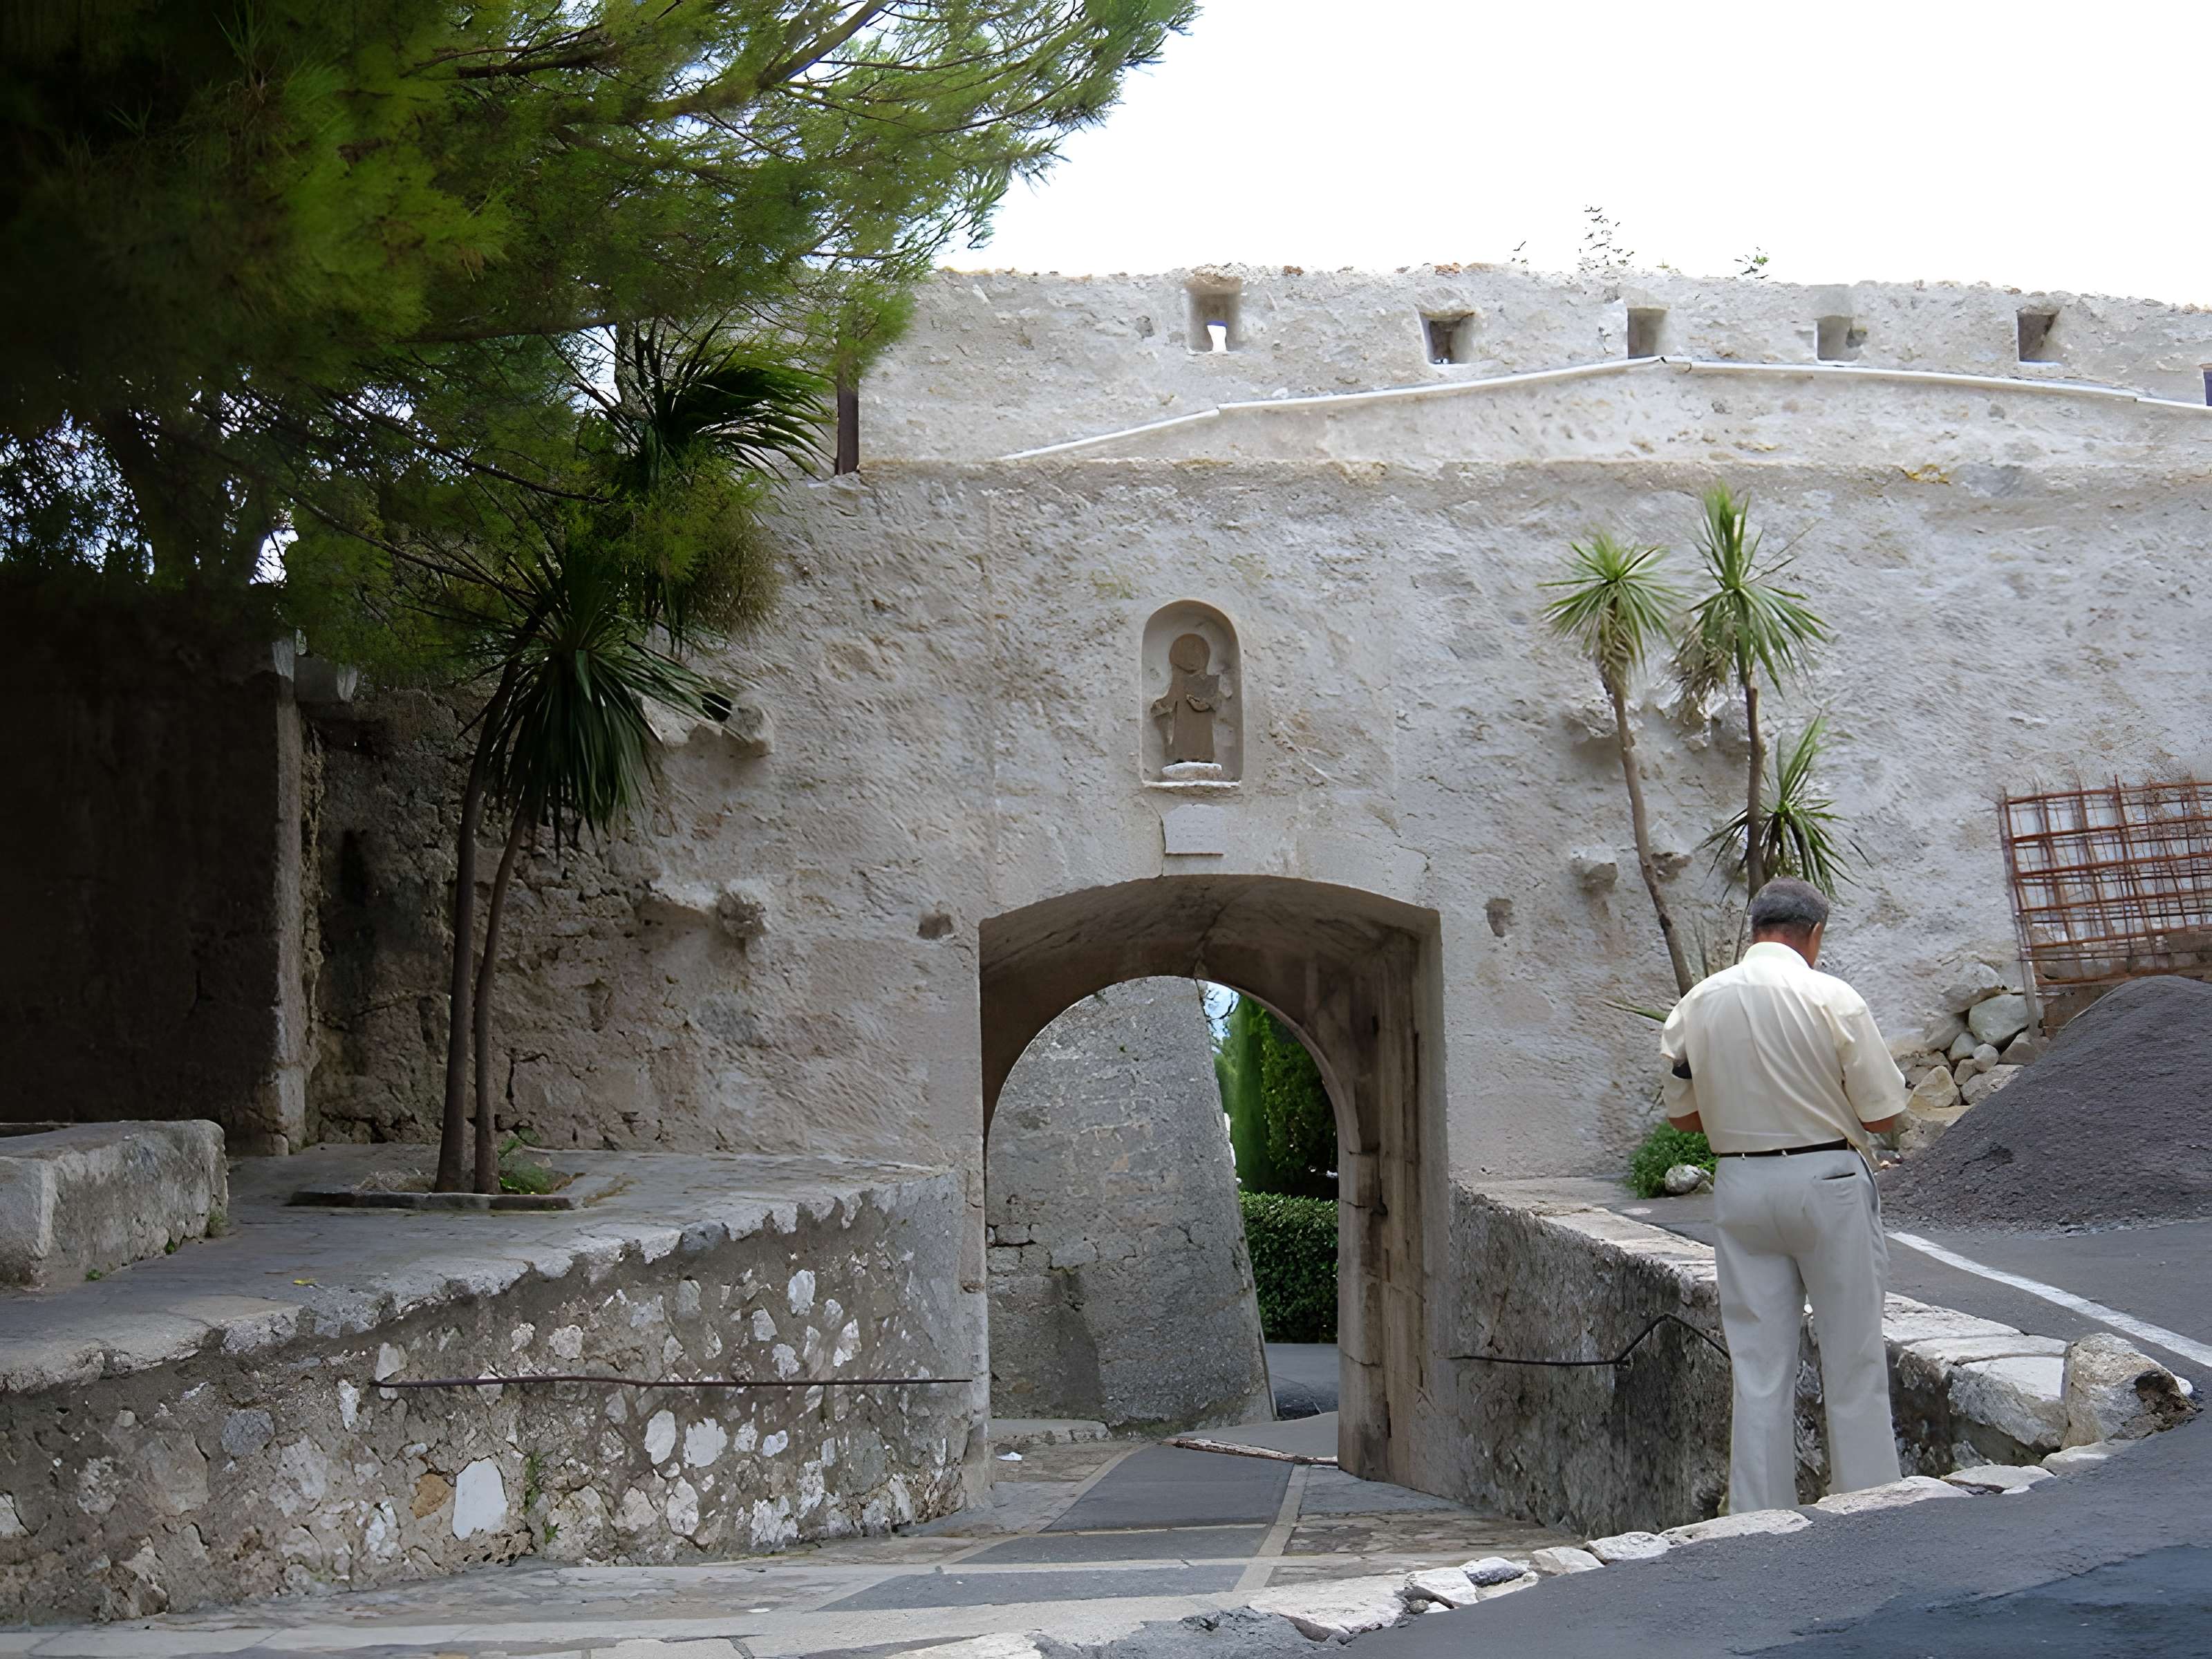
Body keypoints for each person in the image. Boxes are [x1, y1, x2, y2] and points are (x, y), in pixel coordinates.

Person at [1659, 877, 1907, 1513]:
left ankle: (1759, 1518)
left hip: (1741, 1184)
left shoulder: (1698, 1003)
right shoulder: (1833, 997)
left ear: (1754, 930)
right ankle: (1869, 1504)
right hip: (1826, 1182)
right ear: (1814, 935)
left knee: (1759, 1367)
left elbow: (1684, 1119)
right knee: (1852, 1357)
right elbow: (1883, 1115)